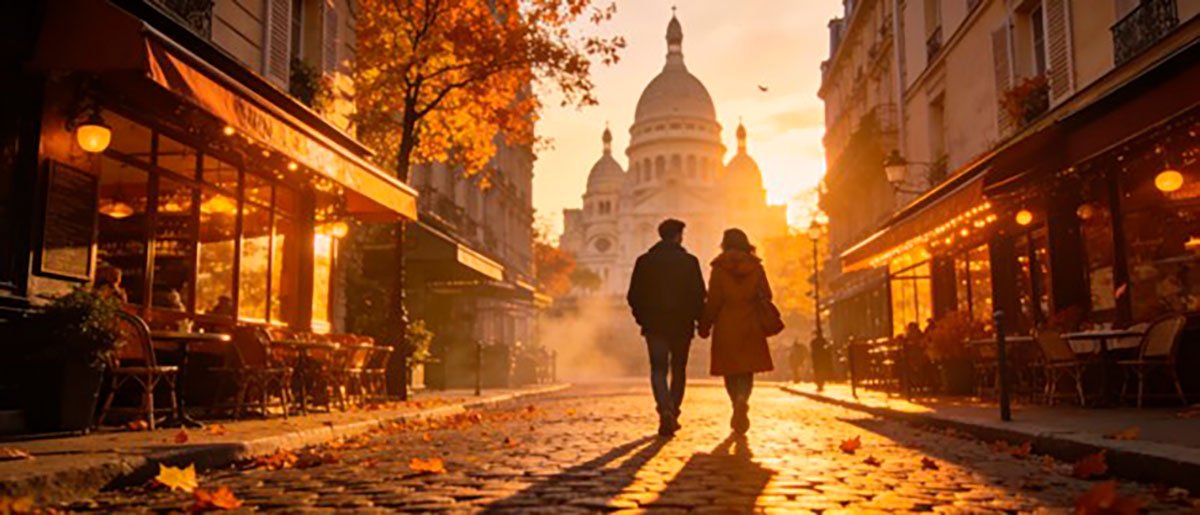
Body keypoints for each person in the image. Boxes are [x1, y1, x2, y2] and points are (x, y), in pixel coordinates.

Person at [627, 219, 706, 437]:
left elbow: (634, 295)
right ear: (678, 235)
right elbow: (699, 295)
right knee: (678, 369)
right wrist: (699, 320)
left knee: (658, 369)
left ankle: (664, 410)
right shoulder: (690, 261)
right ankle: (674, 411)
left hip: (655, 325)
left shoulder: (644, 261)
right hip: (682, 325)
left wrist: (642, 319)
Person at [699, 228, 775, 434]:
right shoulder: (756, 267)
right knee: (747, 368)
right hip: (751, 323)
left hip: (726, 324)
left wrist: (705, 324)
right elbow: (767, 294)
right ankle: (743, 398)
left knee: (730, 369)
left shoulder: (719, 268)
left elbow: (713, 300)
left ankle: (736, 402)